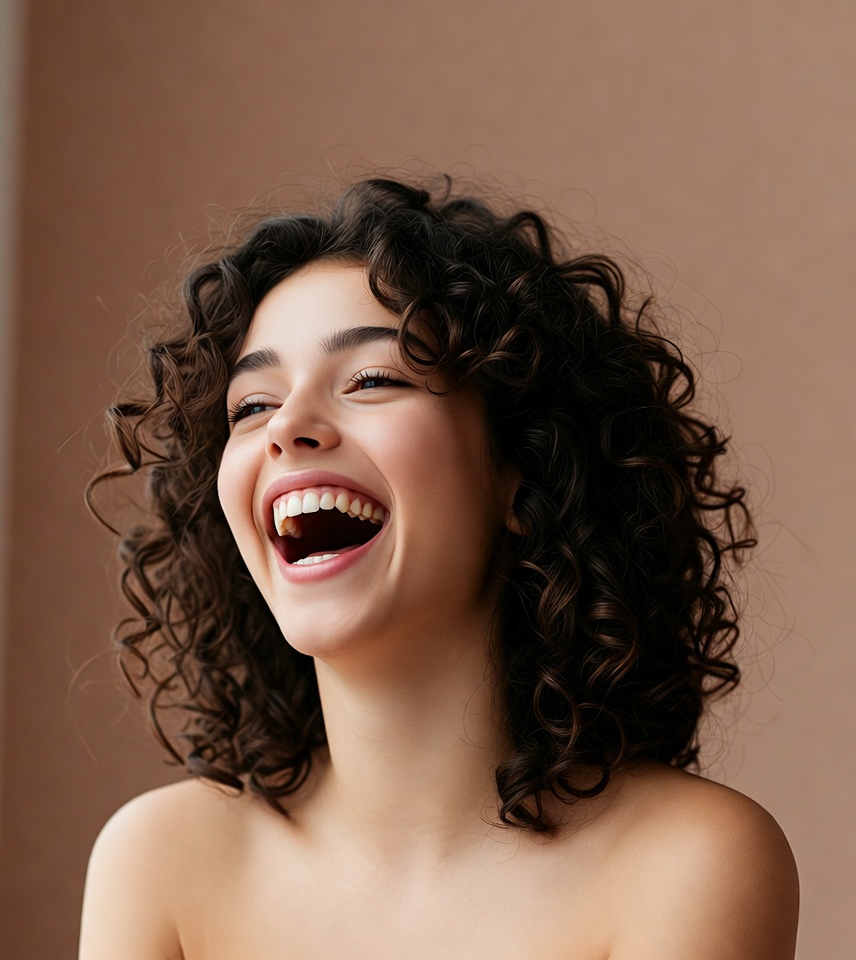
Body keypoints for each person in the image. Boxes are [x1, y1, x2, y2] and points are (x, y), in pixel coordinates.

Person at [79, 176, 799, 958]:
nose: (286, 427)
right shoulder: (159, 862)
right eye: (251, 406)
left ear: (524, 471)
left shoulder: (688, 862)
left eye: (372, 380)